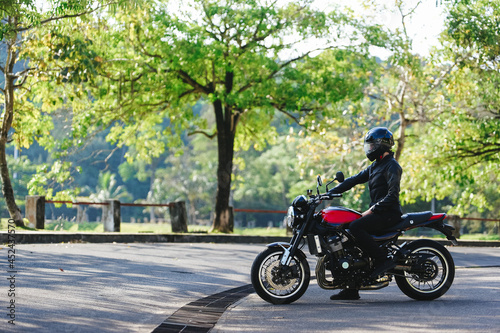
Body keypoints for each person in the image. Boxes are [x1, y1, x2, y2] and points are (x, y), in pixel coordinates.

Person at [328, 127, 403, 300]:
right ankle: (351, 288)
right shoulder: (375, 166)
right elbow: (353, 180)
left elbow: (392, 196)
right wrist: (330, 193)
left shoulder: (392, 166)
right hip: (378, 212)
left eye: (371, 146)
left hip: (389, 214)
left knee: (355, 226)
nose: (369, 149)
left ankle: (383, 260)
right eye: (368, 146)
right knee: (347, 234)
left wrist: (371, 210)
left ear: (381, 145)